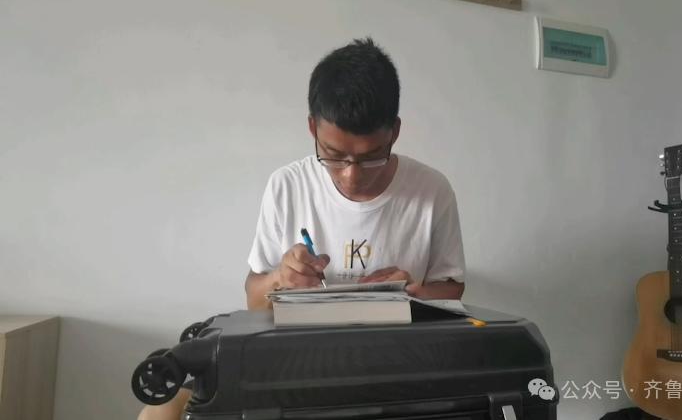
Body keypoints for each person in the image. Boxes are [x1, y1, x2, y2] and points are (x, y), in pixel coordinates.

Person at [137, 37, 465, 420]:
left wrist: (413, 294)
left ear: (394, 131)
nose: (351, 175)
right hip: (295, 362)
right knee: (160, 412)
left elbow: (452, 290)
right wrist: (281, 278)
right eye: (333, 155)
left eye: (371, 157)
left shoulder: (432, 191)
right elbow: (254, 301)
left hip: (391, 365)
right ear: (313, 128)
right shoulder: (287, 185)